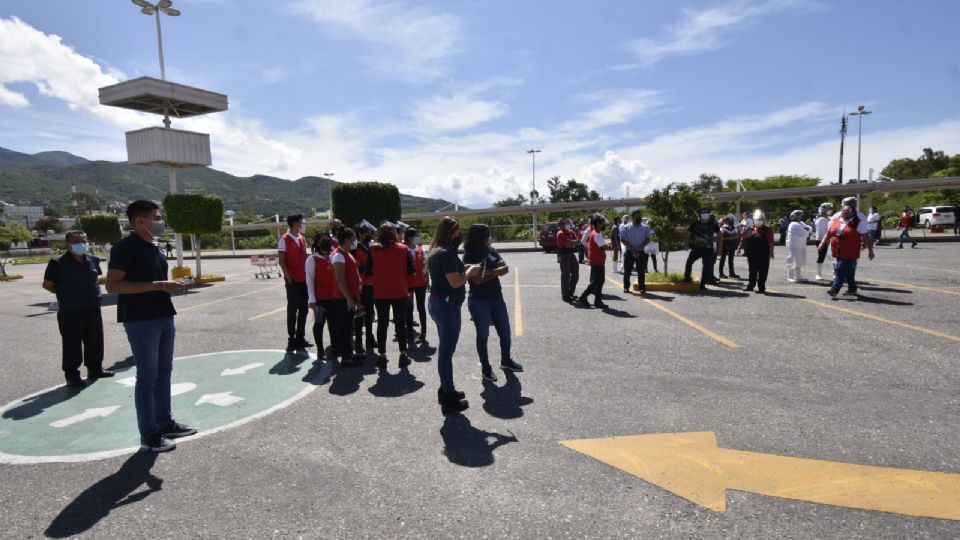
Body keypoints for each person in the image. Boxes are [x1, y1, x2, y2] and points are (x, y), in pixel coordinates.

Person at [105, 200, 195, 453]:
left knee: (164, 372)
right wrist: (159, 285)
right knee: (147, 377)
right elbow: (113, 286)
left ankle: (165, 422)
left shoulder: (153, 246)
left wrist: (171, 284)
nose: (160, 221)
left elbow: (155, 281)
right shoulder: (125, 248)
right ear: (140, 222)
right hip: (141, 319)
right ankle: (149, 434)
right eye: (156, 217)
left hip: (164, 315)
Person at [42, 230, 112, 388]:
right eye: (77, 241)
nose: (82, 244)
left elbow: (94, 279)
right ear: (68, 244)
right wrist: (66, 295)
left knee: (95, 341)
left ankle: (95, 369)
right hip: (70, 310)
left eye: (84, 240)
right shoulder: (57, 262)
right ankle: (72, 376)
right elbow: (48, 285)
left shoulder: (93, 259)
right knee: (71, 344)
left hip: (92, 308)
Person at [427, 216, 481, 414]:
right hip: (446, 305)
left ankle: (446, 389)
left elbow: (450, 276)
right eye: (457, 231)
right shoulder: (445, 254)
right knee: (446, 352)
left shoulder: (439, 252)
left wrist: (465, 269)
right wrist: (471, 272)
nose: (459, 235)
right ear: (450, 232)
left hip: (439, 302)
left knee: (446, 350)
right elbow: (456, 282)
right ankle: (447, 394)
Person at [463, 223, 523, 382]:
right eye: (487, 234)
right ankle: (486, 368)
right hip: (479, 300)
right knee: (483, 336)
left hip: (497, 298)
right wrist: (496, 272)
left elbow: (506, 268)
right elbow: (477, 280)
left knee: (505, 332)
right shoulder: (469, 256)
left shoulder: (490, 250)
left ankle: (506, 361)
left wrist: (489, 272)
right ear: (479, 236)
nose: (489, 237)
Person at [368, 223, 414, 369]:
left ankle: (382, 355)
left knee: (382, 324)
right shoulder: (402, 249)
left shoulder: (373, 249)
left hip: (380, 292)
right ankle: (403, 354)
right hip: (399, 291)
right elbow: (410, 270)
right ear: (394, 233)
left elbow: (368, 271)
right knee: (401, 323)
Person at [821, 197, 875, 297]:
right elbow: (830, 231)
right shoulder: (839, 217)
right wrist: (824, 242)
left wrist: (870, 250)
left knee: (841, 269)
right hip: (838, 249)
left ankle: (835, 289)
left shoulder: (859, 220)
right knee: (849, 270)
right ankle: (852, 288)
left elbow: (865, 235)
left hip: (850, 249)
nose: (844, 212)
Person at [278, 214, 311, 354]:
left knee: (304, 309)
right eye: (300, 222)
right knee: (292, 310)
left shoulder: (302, 238)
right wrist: (287, 275)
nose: (302, 224)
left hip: (303, 279)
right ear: (293, 224)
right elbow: (281, 260)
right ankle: (291, 339)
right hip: (292, 279)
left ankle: (300, 337)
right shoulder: (284, 239)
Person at [331, 227, 364, 366]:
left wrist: (356, 297)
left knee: (348, 327)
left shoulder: (347, 253)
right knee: (343, 328)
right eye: (352, 239)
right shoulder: (338, 255)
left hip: (350, 297)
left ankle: (349, 352)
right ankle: (345, 356)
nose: (354, 241)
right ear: (346, 240)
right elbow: (340, 280)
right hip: (343, 298)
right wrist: (349, 299)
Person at [306, 234, 337, 360]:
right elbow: (309, 280)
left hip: (333, 297)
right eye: (324, 249)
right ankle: (320, 350)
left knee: (333, 324)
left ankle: (335, 346)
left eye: (328, 249)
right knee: (319, 324)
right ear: (319, 247)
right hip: (319, 299)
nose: (326, 251)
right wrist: (312, 299)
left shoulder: (332, 257)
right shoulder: (312, 259)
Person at [737, 210, 775, 294]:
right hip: (752, 254)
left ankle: (761, 287)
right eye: (757, 219)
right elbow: (743, 239)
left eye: (761, 219)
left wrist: (772, 252)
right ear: (754, 219)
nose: (759, 221)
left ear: (763, 220)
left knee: (763, 271)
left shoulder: (767, 230)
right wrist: (739, 248)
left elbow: (771, 242)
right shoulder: (750, 228)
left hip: (764, 254)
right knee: (752, 270)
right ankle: (751, 285)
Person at [577, 214, 611, 308]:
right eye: (602, 223)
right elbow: (603, 246)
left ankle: (597, 300)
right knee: (597, 281)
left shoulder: (596, 233)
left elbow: (601, 245)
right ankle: (585, 297)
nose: (604, 224)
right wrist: (611, 246)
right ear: (598, 224)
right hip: (597, 261)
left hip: (597, 260)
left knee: (598, 281)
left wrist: (607, 245)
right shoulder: (596, 234)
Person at [353, 221, 376, 353]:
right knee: (359, 315)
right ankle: (359, 343)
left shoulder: (370, 247)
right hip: (361, 286)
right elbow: (356, 267)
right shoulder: (355, 249)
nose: (369, 235)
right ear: (360, 234)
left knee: (369, 314)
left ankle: (369, 338)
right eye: (366, 232)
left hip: (371, 284)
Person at [683, 208, 720, 290]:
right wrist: (686, 244)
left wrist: (720, 247)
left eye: (707, 212)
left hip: (708, 249)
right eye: (703, 213)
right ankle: (687, 278)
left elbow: (720, 235)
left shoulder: (713, 224)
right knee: (689, 262)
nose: (705, 214)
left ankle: (702, 284)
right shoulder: (695, 224)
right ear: (700, 214)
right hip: (697, 248)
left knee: (707, 267)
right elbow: (687, 233)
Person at [619, 210, 652, 295]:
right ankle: (626, 287)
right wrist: (632, 249)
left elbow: (648, 239)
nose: (639, 218)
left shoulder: (645, 227)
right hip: (630, 252)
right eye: (637, 217)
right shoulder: (627, 227)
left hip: (641, 252)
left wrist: (641, 247)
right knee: (627, 271)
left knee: (641, 271)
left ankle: (642, 288)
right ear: (633, 217)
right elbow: (622, 239)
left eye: (640, 217)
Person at [405, 228, 429, 343]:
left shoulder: (421, 250)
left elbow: (425, 266)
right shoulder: (403, 250)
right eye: (416, 235)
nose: (417, 238)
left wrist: (428, 280)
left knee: (421, 307)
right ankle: (409, 332)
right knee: (409, 308)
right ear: (409, 237)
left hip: (420, 282)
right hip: (408, 283)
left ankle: (423, 331)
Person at [555, 217, 580, 302]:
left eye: (568, 223)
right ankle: (565, 295)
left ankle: (571, 293)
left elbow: (578, 241)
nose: (568, 224)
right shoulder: (560, 233)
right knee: (565, 276)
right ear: (561, 225)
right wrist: (573, 242)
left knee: (575, 274)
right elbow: (567, 245)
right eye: (565, 223)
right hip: (564, 255)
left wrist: (571, 241)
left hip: (571, 254)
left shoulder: (571, 232)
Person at [785, 209, 812, 282]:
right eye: (799, 215)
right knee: (792, 260)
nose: (800, 216)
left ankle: (798, 276)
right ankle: (790, 277)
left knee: (799, 261)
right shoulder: (793, 224)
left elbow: (810, 228)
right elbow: (804, 233)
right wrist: (807, 230)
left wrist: (807, 230)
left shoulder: (801, 223)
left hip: (800, 245)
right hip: (794, 246)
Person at [813, 203, 834, 281]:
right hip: (821, 240)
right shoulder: (820, 220)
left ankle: (835, 274)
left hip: (831, 240)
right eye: (829, 209)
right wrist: (827, 240)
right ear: (824, 210)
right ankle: (818, 274)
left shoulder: (830, 218)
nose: (831, 211)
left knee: (833, 257)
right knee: (821, 256)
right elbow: (822, 232)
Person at [717, 214, 740, 279]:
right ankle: (721, 273)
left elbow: (737, 236)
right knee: (722, 259)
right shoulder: (722, 228)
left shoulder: (734, 228)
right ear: (727, 221)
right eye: (730, 220)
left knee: (731, 260)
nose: (731, 221)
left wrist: (736, 237)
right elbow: (720, 238)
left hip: (732, 245)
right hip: (724, 245)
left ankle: (731, 273)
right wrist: (731, 238)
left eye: (732, 220)